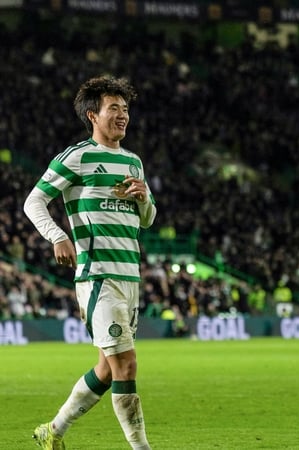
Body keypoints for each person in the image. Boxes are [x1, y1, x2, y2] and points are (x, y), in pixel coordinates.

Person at [24, 76, 155, 450]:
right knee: (126, 365)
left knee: (107, 369)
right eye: (114, 108)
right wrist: (57, 236)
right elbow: (34, 201)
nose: (123, 115)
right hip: (98, 276)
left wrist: (144, 199)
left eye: (125, 109)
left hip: (130, 276)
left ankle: (53, 431)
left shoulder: (133, 161)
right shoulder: (77, 157)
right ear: (92, 115)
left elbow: (147, 220)